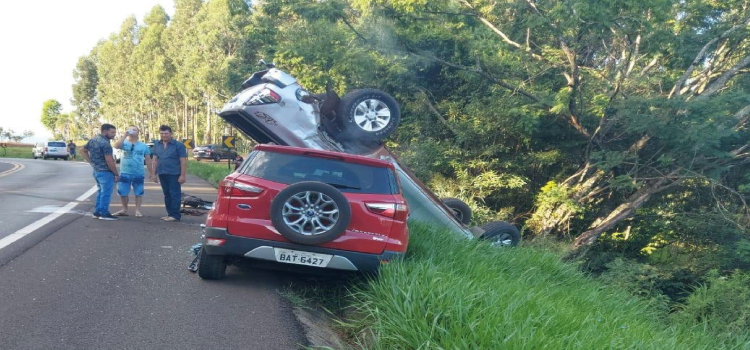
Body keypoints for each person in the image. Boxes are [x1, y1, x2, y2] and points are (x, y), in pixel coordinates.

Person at [80, 124, 120, 221]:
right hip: (105, 172)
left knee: (100, 192)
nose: (114, 134)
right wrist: (116, 173)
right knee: (106, 193)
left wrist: (91, 161)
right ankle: (104, 213)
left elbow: (82, 150)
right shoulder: (105, 144)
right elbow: (109, 160)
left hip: (97, 171)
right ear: (105, 131)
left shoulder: (94, 140)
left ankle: (97, 212)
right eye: (112, 132)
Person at [112, 126, 153, 218]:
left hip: (138, 173)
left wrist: (152, 173)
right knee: (123, 192)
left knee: (138, 192)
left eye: (135, 130)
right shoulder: (124, 143)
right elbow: (116, 146)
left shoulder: (143, 146)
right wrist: (124, 135)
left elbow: (148, 160)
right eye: (130, 129)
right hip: (124, 172)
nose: (132, 131)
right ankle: (124, 209)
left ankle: (138, 210)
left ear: (138, 132)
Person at [151, 125, 187, 222]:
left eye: (166, 133)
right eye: (162, 133)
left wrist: (182, 175)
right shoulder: (157, 145)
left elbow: (183, 161)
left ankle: (175, 215)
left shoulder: (178, 145)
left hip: (174, 174)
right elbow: (154, 160)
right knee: (167, 194)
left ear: (171, 134)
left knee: (175, 194)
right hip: (162, 173)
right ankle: (170, 214)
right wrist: (153, 174)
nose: (164, 135)